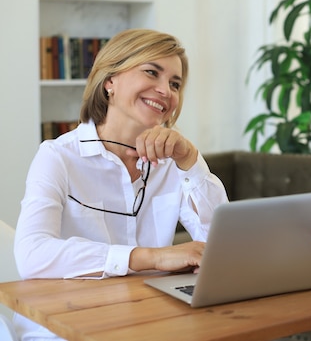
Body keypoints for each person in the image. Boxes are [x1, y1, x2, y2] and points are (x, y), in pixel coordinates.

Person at [13, 28, 229, 340]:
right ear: (110, 80)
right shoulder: (58, 156)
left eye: (175, 84)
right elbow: (32, 255)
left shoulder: (172, 164)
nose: (165, 90)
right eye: (151, 72)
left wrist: (191, 161)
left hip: (149, 318)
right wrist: (151, 258)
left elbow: (219, 249)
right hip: (70, 323)